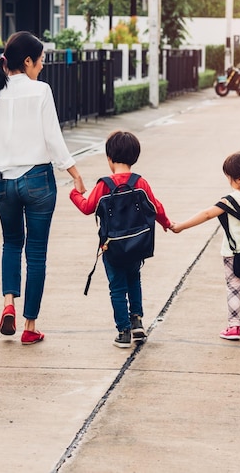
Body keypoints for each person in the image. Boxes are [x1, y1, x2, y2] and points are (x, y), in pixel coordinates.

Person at [0, 31, 86, 345]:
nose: (42, 67)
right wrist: (74, 173)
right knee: (36, 254)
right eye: (40, 61)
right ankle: (30, 325)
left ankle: (8, 304)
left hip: (2, 183)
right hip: (38, 180)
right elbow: (53, 138)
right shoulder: (40, 91)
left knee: (11, 244)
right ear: (27, 61)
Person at [70, 130, 172, 348]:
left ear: (109, 158)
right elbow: (156, 206)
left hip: (112, 247)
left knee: (117, 287)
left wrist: (75, 193)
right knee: (134, 279)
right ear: (134, 156)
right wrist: (166, 223)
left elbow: (87, 208)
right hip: (137, 245)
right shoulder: (140, 182)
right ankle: (137, 322)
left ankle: (123, 332)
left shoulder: (104, 185)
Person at [171, 151, 240, 341]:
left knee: (234, 288)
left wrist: (181, 226)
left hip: (232, 253)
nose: (229, 182)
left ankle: (233, 327)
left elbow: (207, 214)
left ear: (238, 179)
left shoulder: (228, 201)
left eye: (229, 178)